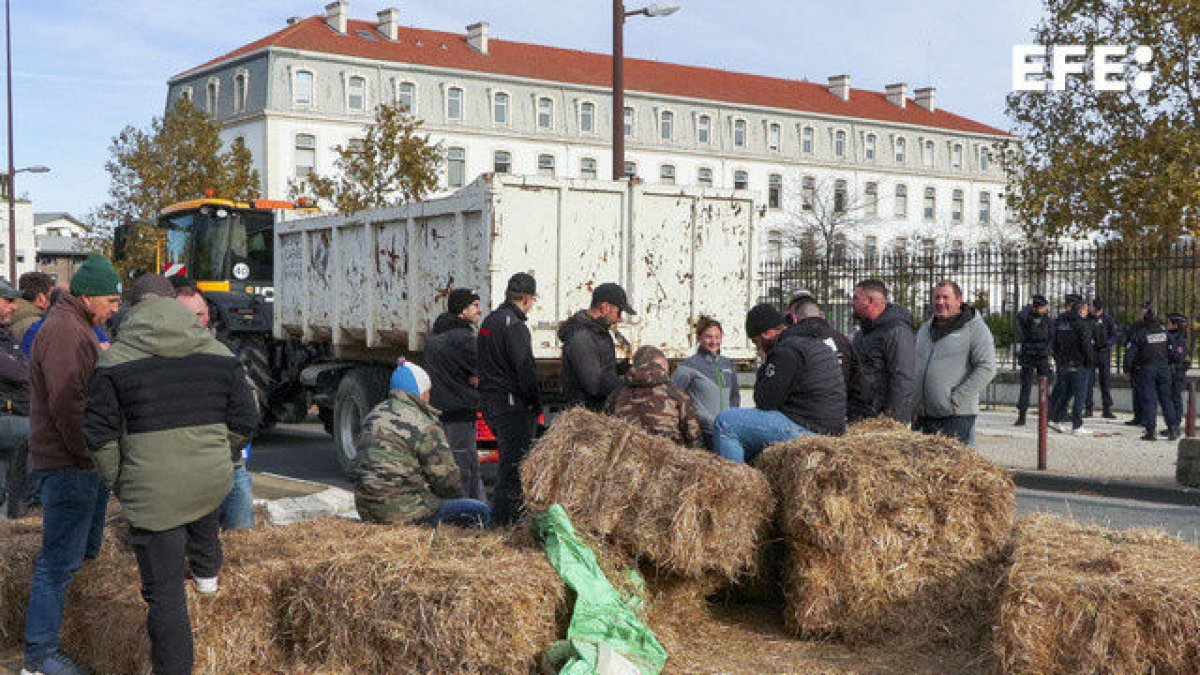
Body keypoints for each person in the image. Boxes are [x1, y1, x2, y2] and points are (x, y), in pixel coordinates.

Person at [83, 291, 258, 675]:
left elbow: (98, 434)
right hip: (209, 481)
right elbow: (246, 419)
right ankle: (209, 585)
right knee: (203, 522)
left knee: (164, 594)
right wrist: (216, 457)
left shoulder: (113, 362)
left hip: (151, 487)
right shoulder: (220, 356)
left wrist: (120, 480)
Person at [22, 254, 122, 675]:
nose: (115, 308)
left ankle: (61, 639)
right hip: (69, 463)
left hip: (77, 462)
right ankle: (40, 655)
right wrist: (90, 454)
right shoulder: (65, 331)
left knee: (79, 554)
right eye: (111, 300)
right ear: (87, 296)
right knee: (58, 561)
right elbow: (68, 404)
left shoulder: (80, 326)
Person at [353, 360, 490, 527]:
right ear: (421, 392)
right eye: (428, 392)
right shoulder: (423, 423)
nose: (429, 397)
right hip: (404, 513)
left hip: (366, 510)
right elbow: (446, 480)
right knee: (480, 510)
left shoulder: (373, 414)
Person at [712, 304, 845, 464]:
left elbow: (765, 401)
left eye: (756, 342)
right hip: (830, 426)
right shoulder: (812, 343)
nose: (757, 347)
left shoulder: (786, 350)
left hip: (809, 428)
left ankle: (738, 484)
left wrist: (764, 363)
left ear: (767, 333)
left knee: (726, 422)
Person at [172, 281, 256, 530]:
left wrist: (222, 446)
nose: (195, 321)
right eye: (187, 316)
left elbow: (247, 414)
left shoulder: (226, 357)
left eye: (199, 314)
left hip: (229, 465)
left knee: (240, 540)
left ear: (208, 315)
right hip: (185, 472)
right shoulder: (164, 361)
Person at [477, 273, 540, 526]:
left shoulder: (488, 322)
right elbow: (525, 370)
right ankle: (504, 523)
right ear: (526, 298)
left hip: (491, 401)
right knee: (513, 468)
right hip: (512, 404)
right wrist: (534, 401)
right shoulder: (515, 326)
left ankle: (502, 519)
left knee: (507, 463)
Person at [912, 281, 997, 446]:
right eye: (936, 297)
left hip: (956, 418)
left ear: (958, 300)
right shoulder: (925, 329)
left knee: (953, 470)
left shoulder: (976, 329)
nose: (940, 302)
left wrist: (957, 399)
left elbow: (987, 368)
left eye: (945, 297)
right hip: (923, 418)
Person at [423, 288, 485, 501]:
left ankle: (452, 506)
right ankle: (470, 512)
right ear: (462, 311)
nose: (480, 310)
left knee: (444, 464)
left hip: (439, 409)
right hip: (460, 411)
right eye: (475, 305)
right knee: (465, 465)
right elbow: (482, 373)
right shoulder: (465, 339)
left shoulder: (435, 335)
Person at [786, 292, 873, 423]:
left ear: (794, 318)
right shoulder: (842, 340)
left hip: (805, 417)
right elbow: (860, 384)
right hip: (839, 414)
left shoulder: (792, 342)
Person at [604, 345, 702, 448]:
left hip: (627, 457)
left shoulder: (616, 395)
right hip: (668, 457)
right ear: (661, 365)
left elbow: (606, 431)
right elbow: (694, 437)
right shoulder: (677, 395)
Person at [559, 283, 636, 411]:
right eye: (619, 312)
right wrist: (628, 383)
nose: (620, 319)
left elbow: (602, 371)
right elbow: (595, 385)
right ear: (604, 307)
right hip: (586, 418)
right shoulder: (581, 338)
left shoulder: (599, 332)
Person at [850, 279, 916, 422]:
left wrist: (892, 421)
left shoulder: (897, 332)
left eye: (856, 298)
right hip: (861, 414)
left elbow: (902, 378)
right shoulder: (863, 333)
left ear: (870, 301)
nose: (852, 303)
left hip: (881, 418)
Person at [672, 315, 740, 449]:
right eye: (708, 337)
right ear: (699, 338)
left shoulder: (728, 365)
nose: (713, 341)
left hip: (726, 433)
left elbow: (734, 398)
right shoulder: (688, 366)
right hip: (701, 434)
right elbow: (674, 398)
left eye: (717, 337)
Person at [1125, 305, 1179, 441]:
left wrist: (1128, 370)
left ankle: (1151, 431)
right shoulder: (1165, 334)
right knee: (1166, 399)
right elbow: (1173, 353)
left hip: (1147, 370)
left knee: (1149, 400)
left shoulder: (1140, 334)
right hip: (1163, 369)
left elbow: (1130, 354)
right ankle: (1172, 428)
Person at [0, 278, 30, 520]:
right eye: (8, 300)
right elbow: (21, 372)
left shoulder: (7, 335)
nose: (15, 306)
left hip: (14, 412)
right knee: (41, 434)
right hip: (7, 417)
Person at [1048, 297, 1095, 435]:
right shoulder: (1082, 325)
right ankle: (1077, 425)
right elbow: (1086, 346)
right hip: (1079, 365)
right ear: (1081, 310)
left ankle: (1056, 418)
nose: (1087, 312)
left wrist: (1059, 360)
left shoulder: (1061, 324)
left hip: (1064, 364)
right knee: (1080, 395)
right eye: (1086, 309)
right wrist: (1089, 362)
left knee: (1066, 393)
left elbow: (1054, 344)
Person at [1014, 294, 1052, 426]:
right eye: (1042, 307)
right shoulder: (1027, 318)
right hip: (1029, 354)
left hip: (1041, 355)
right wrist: (1029, 307)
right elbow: (1019, 316)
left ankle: (1046, 414)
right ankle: (1022, 414)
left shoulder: (1046, 319)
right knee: (1026, 386)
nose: (1044, 309)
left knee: (1045, 386)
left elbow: (1051, 337)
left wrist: (1047, 350)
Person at [1086, 299, 1118, 419]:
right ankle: (1088, 407)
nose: (1095, 311)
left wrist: (1107, 343)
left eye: (1097, 309)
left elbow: (1114, 335)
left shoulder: (1108, 319)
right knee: (1089, 381)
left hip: (1104, 353)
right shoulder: (1088, 319)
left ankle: (1107, 408)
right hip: (1091, 352)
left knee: (1105, 381)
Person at [1165, 313, 1190, 437]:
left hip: (1177, 372)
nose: (1167, 325)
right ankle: (1172, 424)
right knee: (1169, 398)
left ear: (1175, 325)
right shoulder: (1169, 336)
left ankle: (1176, 425)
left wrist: (1169, 349)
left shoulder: (1180, 339)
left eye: (1169, 323)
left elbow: (1178, 356)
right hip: (1169, 371)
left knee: (1175, 398)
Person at [12, 271, 53, 346]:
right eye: (50, 296)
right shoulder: (38, 326)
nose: (51, 301)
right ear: (41, 298)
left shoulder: (9, 314)